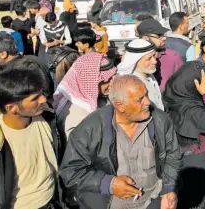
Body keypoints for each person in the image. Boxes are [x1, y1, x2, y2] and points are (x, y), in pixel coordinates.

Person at [59, 75, 181, 209]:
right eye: (140, 99)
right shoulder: (90, 129)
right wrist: (109, 184)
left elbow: (172, 155)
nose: (147, 102)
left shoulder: (160, 120)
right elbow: (70, 171)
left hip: (153, 201)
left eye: (146, 95)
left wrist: (168, 189)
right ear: (120, 105)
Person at [0, 59, 62, 209]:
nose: (43, 99)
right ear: (12, 108)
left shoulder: (47, 117)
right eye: (34, 99)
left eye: (41, 94)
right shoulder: (1, 141)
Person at [163, 62, 205, 209]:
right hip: (200, 166)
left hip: (204, 164)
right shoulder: (190, 110)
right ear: (195, 85)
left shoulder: (179, 98)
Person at [53, 51, 117, 143]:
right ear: (91, 81)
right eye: (107, 80)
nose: (112, 83)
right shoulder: (75, 114)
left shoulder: (98, 98)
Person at [137, 18, 184, 93]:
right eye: (159, 35)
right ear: (145, 38)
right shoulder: (133, 60)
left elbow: (183, 85)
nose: (164, 38)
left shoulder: (173, 57)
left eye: (163, 35)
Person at [117, 39, 164, 110]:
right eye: (149, 58)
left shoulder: (148, 73)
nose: (154, 61)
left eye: (154, 56)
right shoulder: (131, 83)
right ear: (136, 60)